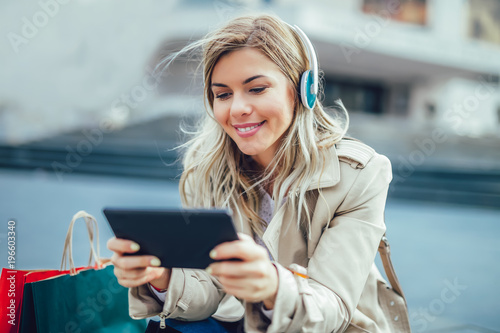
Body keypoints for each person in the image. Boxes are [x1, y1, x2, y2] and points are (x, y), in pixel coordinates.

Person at [108, 14, 396, 332]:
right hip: (242, 320)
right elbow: (210, 287)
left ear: (304, 89)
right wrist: (161, 278)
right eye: (223, 94)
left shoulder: (360, 174)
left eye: (256, 89)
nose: (237, 109)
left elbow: (331, 308)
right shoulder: (206, 172)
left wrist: (273, 288)